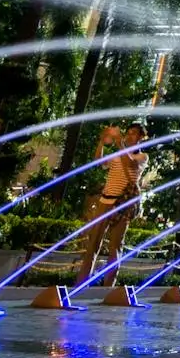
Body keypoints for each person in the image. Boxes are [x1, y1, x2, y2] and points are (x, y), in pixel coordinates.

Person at [74, 120, 149, 284]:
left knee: (115, 246)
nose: (130, 136)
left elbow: (129, 163)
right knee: (93, 242)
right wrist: (102, 141)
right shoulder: (117, 154)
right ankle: (81, 282)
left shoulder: (141, 156)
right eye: (128, 133)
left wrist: (118, 143)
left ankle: (108, 286)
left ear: (141, 138)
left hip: (121, 205)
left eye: (134, 133)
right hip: (104, 201)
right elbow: (100, 162)